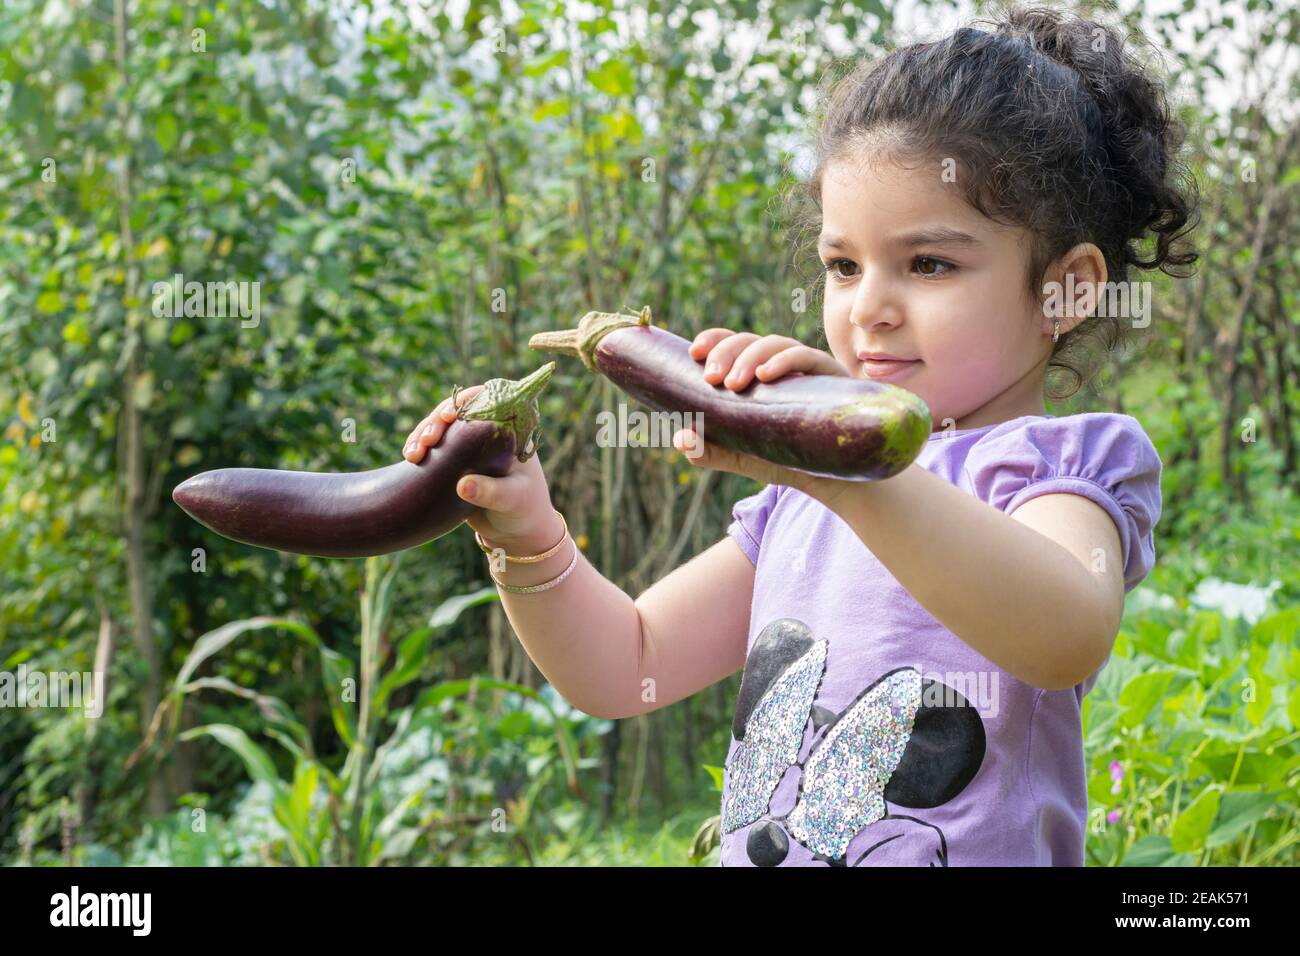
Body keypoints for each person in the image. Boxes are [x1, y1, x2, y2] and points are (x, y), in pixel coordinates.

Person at [400, 5, 1197, 865]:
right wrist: (529, 537)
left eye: (930, 264)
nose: (869, 309)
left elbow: (1063, 633)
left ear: (1065, 289)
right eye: (843, 265)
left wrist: (849, 473)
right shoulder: (798, 503)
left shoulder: (1059, 467)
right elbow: (627, 664)